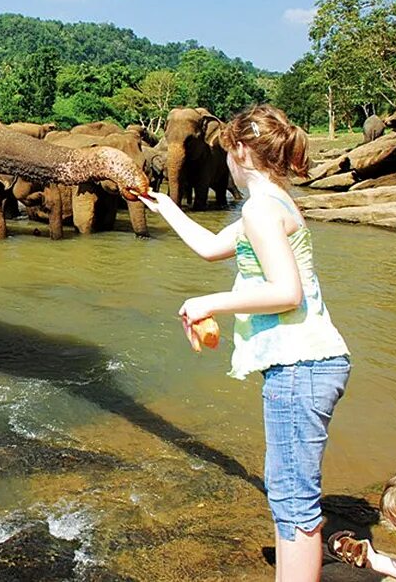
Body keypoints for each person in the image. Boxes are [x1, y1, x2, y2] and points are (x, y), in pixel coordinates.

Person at [139, 104, 350, 582]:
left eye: (226, 153)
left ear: (240, 153)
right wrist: (167, 206)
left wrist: (205, 303)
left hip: (302, 363)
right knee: (287, 488)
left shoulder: (259, 209)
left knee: (292, 497)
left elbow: (286, 292)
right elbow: (213, 249)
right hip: (307, 362)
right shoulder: (274, 203)